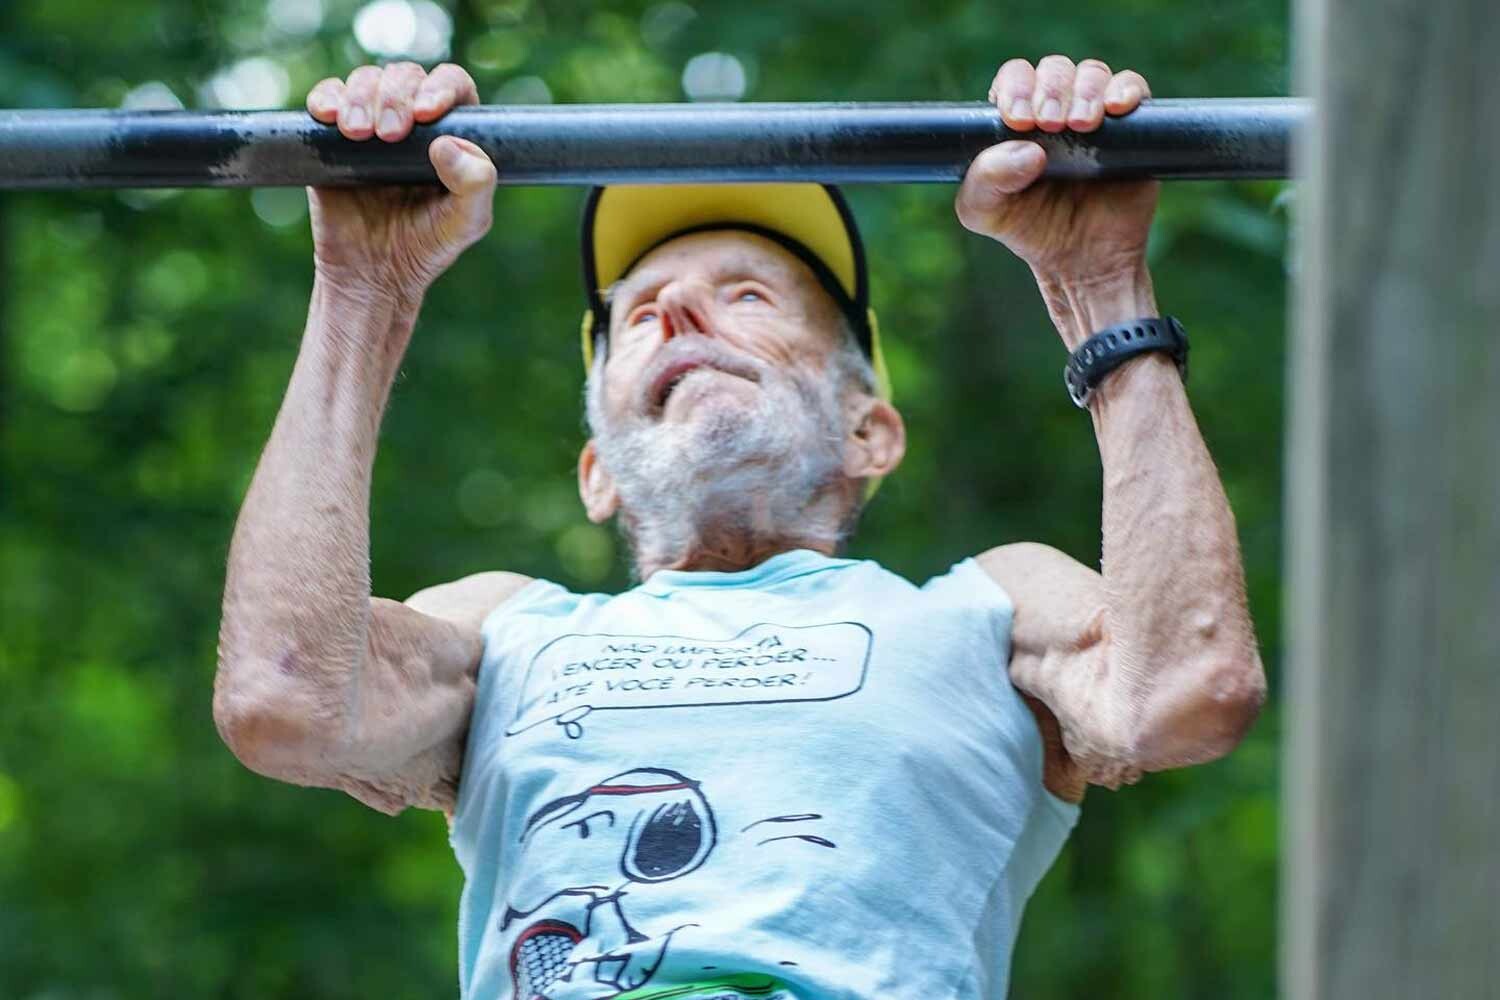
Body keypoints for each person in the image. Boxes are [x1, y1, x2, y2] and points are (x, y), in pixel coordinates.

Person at [213, 54, 1266, 1000]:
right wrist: (362, 290)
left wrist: (1100, 287)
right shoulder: (506, 630)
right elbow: (283, 698)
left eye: (748, 295)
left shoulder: (990, 606)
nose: (677, 313)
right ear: (597, 474)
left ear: (869, 432)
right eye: (639, 314)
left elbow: (1184, 691)